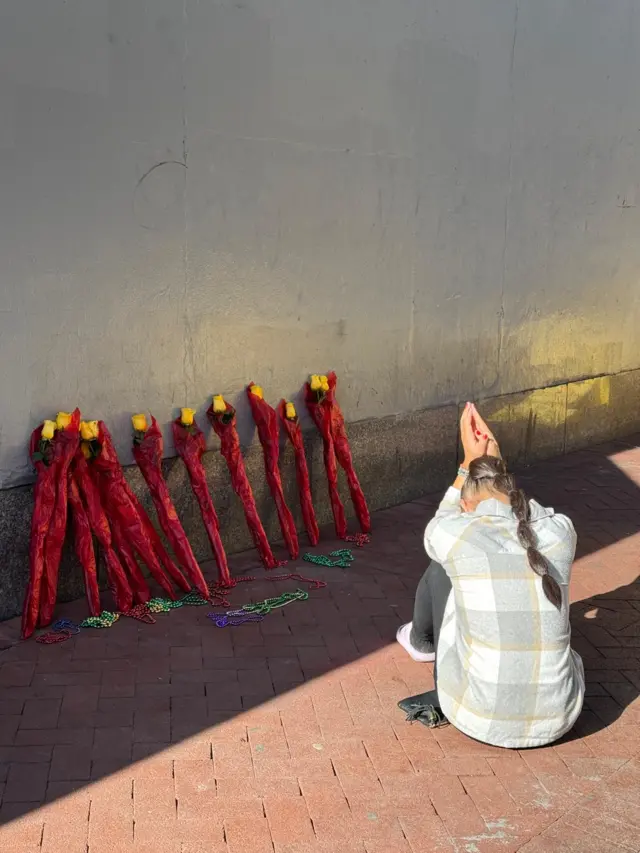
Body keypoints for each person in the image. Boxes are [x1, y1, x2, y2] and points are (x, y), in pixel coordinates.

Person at [396, 403, 585, 749]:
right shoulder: (561, 533)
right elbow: (529, 516)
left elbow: (439, 525)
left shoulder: (459, 536)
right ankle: (420, 642)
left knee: (440, 571)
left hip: (477, 716)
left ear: (467, 508)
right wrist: (497, 466)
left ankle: (422, 644)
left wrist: (467, 465)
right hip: (561, 716)